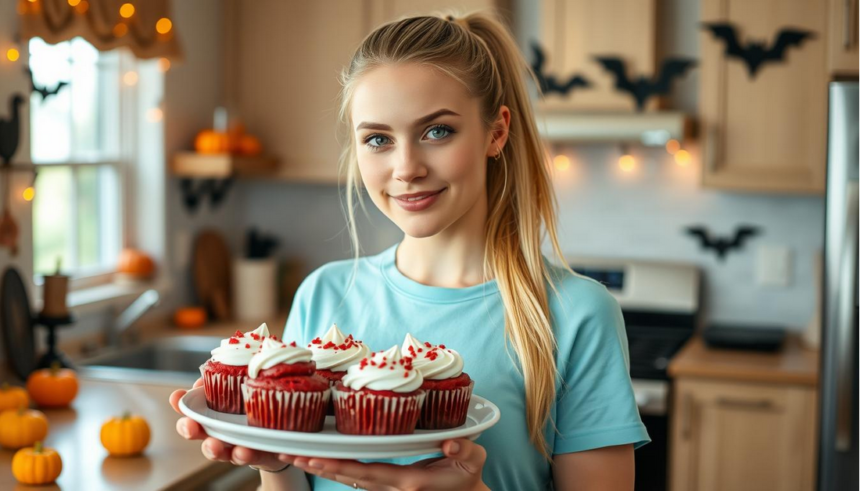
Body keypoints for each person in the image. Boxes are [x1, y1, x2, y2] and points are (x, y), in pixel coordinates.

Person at [169, 11, 650, 491]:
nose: (406, 168)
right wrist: (272, 464)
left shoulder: (575, 314)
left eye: (437, 131)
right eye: (378, 139)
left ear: (496, 132)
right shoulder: (323, 295)